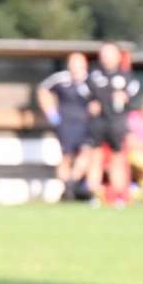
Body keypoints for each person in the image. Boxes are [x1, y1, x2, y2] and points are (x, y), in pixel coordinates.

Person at [85, 43, 138, 206]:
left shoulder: (126, 76)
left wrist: (124, 97)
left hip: (116, 122)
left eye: (109, 54)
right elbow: (85, 93)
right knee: (95, 157)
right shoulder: (94, 74)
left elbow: (133, 92)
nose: (106, 57)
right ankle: (93, 195)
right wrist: (91, 103)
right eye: (103, 54)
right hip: (98, 122)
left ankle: (118, 196)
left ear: (117, 56)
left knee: (117, 158)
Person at [36, 53, 94, 200]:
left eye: (79, 63)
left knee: (85, 153)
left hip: (86, 124)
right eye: (73, 63)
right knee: (66, 157)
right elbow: (42, 90)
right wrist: (51, 113)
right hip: (66, 124)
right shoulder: (61, 78)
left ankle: (72, 184)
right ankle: (67, 189)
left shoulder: (92, 80)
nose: (75, 67)